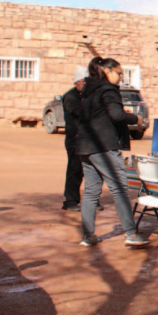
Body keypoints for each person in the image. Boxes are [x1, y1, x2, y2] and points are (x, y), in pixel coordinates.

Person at [77, 56, 150, 247]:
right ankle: (131, 234)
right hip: (104, 146)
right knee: (120, 190)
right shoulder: (108, 89)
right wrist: (136, 118)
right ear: (108, 71)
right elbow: (117, 115)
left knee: (92, 193)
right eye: (119, 73)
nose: (120, 77)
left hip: (85, 146)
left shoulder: (88, 90)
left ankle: (88, 235)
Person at [61, 67, 89, 211]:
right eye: (83, 81)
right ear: (77, 82)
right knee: (75, 169)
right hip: (75, 140)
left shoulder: (87, 96)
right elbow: (80, 113)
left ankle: (92, 200)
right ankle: (70, 201)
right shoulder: (70, 97)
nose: (85, 84)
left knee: (92, 170)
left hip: (89, 140)